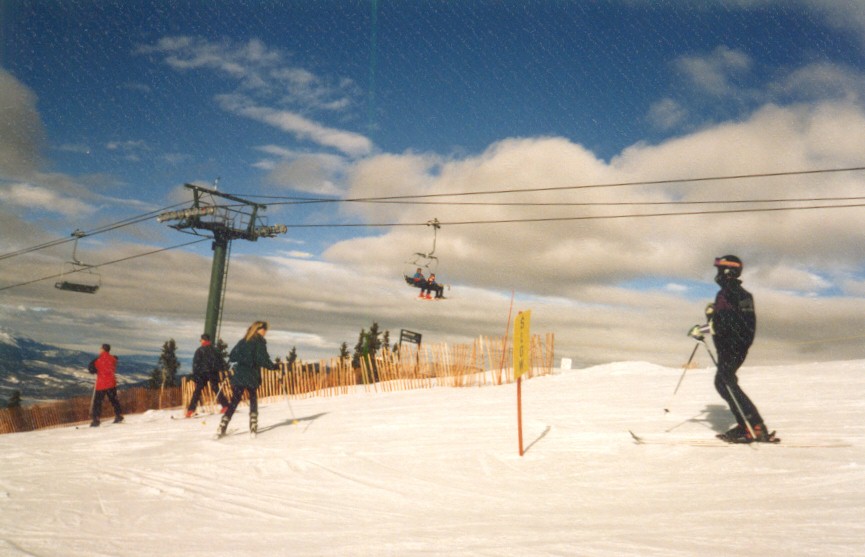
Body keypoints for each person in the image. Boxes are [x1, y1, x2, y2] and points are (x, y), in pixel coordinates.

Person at [708, 255, 772, 443]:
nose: (718, 274)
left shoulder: (733, 293)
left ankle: (755, 426)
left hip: (733, 346)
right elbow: (725, 321)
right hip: (730, 346)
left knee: (725, 382)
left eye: (720, 270)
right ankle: (748, 425)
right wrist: (711, 318)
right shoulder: (731, 293)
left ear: (729, 271)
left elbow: (736, 323)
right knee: (724, 382)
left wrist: (710, 325)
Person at [217, 320, 276, 437]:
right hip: (252, 374)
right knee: (253, 397)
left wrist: (242, 360)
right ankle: (253, 424)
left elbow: (233, 355)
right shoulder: (259, 342)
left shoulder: (243, 341)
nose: (265, 332)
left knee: (235, 400)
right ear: (259, 330)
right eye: (264, 330)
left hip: (240, 374)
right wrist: (273, 367)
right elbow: (262, 359)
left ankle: (224, 423)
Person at [185, 333, 229, 417]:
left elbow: (196, 363)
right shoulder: (215, 350)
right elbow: (221, 362)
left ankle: (191, 410)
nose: (200, 341)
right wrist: (222, 371)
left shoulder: (199, 350)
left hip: (202, 373)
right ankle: (225, 405)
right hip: (213, 372)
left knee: (197, 391)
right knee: (216, 388)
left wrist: (195, 374)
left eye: (201, 340)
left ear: (203, 340)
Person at [88, 343, 124, 427]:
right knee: (114, 400)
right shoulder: (113, 359)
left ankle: (96, 420)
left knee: (98, 402)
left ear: (103, 349)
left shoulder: (98, 360)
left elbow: (91, 369)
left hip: (101, 384)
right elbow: (114, 360)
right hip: (111, 383)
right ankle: (118, 415)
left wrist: (96, 369)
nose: (99, 349)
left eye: (100, 348)